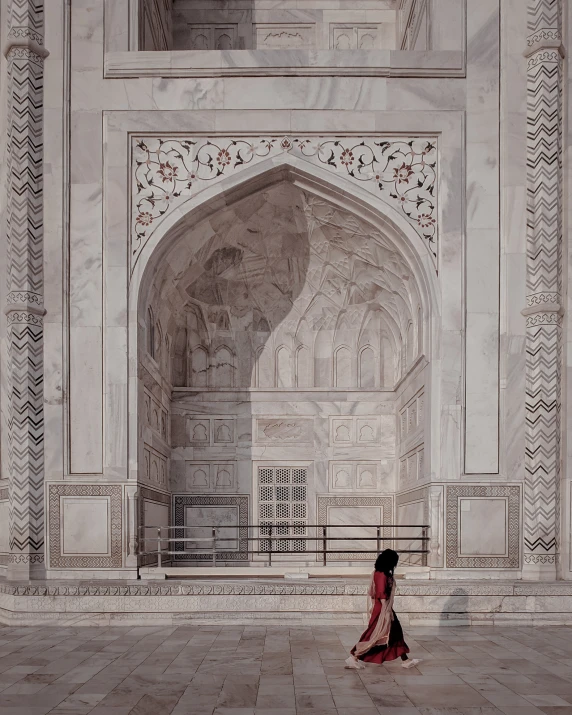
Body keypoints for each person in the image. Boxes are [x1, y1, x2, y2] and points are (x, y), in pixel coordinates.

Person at [345, 549, 421, 670]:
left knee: (395, 633)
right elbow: (381, 594)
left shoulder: (381, 573)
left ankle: (405, 660)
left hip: (385, 608)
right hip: (382, 610)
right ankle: (354, 657)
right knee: (375, 635)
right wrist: (386, 613)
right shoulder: (380, 574)